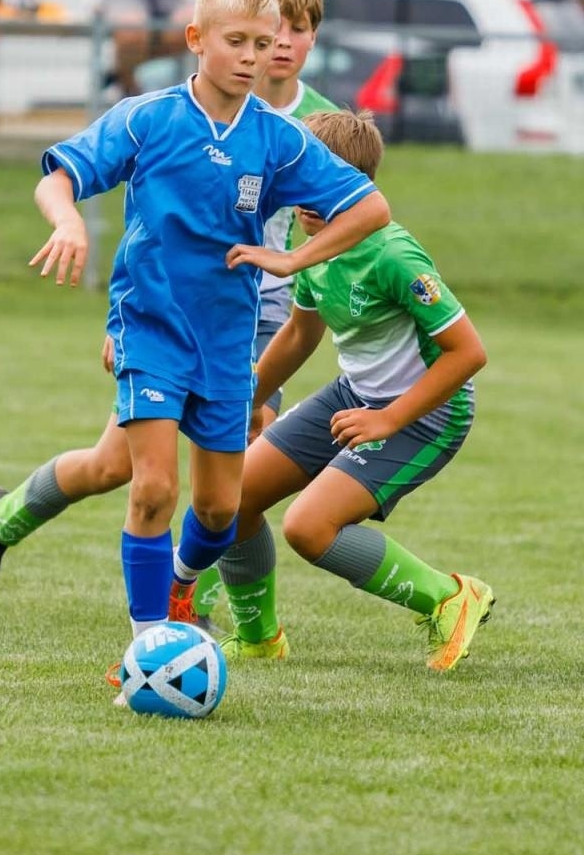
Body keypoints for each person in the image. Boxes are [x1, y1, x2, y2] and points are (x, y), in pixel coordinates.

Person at [0, 0, 390, 699]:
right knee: (152, 487)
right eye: (239, 41)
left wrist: (294, 256)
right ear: (196, 40)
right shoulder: (147, 118)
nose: (256, 54)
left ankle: (126, 565)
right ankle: (147, 649)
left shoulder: (279, 139)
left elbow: (369, 207)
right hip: (151, 330)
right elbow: (57, 176)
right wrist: (67, 219)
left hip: (230, 348)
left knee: (220, 509)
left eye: (266, 40)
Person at [195, 109, 494, 671]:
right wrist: (246, 398)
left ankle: (451, 596)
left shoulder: (394, 256)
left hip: (429, 413)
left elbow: (469, 354)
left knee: (309, 527)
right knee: (229, 501)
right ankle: (260, 637)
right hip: (354, 394)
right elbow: (299, 336)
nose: (305, 200)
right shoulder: (313, 249)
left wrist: (388, 420)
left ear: (356, 188)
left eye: (320, 186)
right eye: (298, 181)